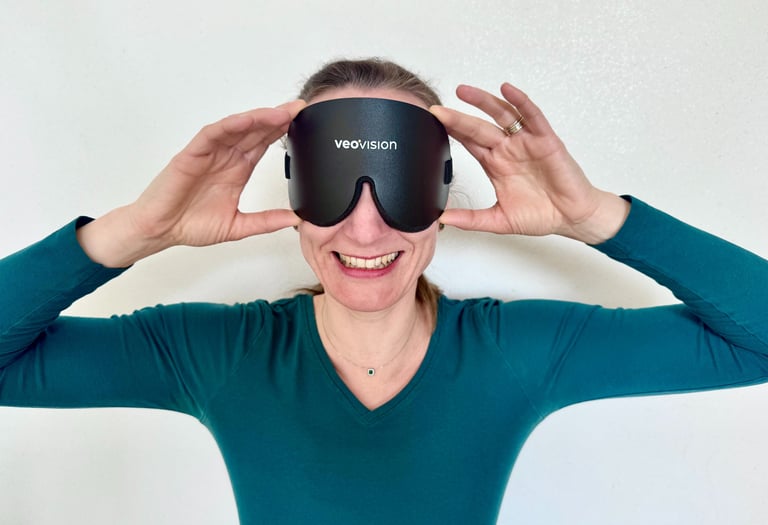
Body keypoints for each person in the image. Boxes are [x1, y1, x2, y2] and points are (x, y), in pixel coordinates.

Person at [1, 57, 767, 525]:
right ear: (295, 192)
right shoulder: (220, 353)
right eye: (334, 188)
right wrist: (135, 231)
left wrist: (594, 216)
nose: (365, 231)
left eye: (396, 188)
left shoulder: (513, 352)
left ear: (440, 194)